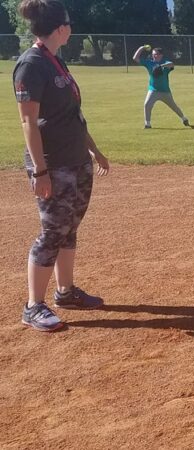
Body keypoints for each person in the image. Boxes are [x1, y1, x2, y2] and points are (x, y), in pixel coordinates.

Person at [13, 0, 110, 332]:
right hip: (53, 165)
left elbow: (72, 116)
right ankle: (32, 306)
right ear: (60, 28)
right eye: (68, 23)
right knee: (52, 232)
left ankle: (65, 292)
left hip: (77, 159)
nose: (71, 27)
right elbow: (28, 122)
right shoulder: (31, 65)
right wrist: (40, 170)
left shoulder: (55, 61)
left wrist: (94, 151)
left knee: (69, 229)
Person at [132, 44, 190, 129]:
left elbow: (171, 64)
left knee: (174, 107)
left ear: (161, 55)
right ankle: (147, 124)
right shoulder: (149, 63)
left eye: (157, 54)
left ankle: (184, 118)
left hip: (165, 91)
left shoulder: (164, 62)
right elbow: (135, 58)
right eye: (154, 54)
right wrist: (142, 48)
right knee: (147, 105)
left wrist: (161, 66)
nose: (155, 56)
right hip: (153, 90)